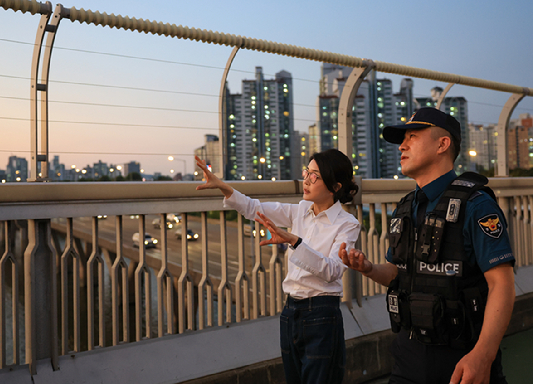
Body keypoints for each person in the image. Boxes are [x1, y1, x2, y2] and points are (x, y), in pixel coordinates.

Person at [339, 107, 515, 384]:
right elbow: (400, 274)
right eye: (402, 139)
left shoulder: (476, 205)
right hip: (407, 356)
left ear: (442, 144)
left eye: (412, 137)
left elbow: (502, 284)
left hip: (461, 359)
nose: (402, 146)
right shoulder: (406, 206)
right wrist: (369, 268)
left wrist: (483, 355)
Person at [196, 149, 360, 384]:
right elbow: (255, 209)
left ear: (335, 186)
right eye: (307, 172)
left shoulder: (347, 224)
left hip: (322, 314)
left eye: (315, 176)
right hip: (290, 312)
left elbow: (333, 270)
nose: (306, 180)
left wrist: (293, 240)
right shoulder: (302, 210)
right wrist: (222, 185)